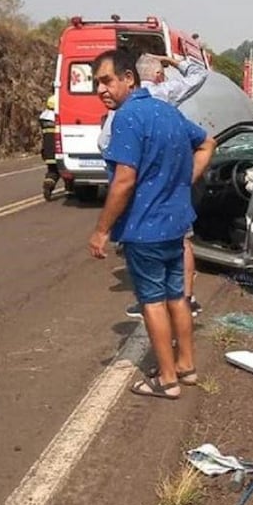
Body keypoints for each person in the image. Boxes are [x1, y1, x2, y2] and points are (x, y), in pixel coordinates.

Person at [89, 49, 216, 400]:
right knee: (178, 297)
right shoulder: (166, 111)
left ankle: (167, 379)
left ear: (129, 78)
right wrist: (183, 180)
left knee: (153, 302)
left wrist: (101, 230)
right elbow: (207, 142)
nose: (101, 89)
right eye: (96, 83)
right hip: (175, 226)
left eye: (107, 81)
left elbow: (124, 180)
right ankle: (187, 367)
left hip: (145, 229)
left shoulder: (128, 118)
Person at [98, 53, 208, 319]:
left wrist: (102, 229)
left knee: (152, 296)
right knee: (182, 242)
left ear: (131, 77)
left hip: (140, 196)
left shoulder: (124, 112)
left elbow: (105, 145)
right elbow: (200, 75)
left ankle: (151, 300)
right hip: (171, 189)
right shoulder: (166, 94)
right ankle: (186, 297)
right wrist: (173, 59)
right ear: (158, 75)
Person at [39, 95, 61, 200]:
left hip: (47, 150)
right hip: (58, 149)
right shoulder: (58, 119)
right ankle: (69, 188)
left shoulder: (44, 119)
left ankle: (48, 182)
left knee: (52, 169)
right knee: (59, 171)